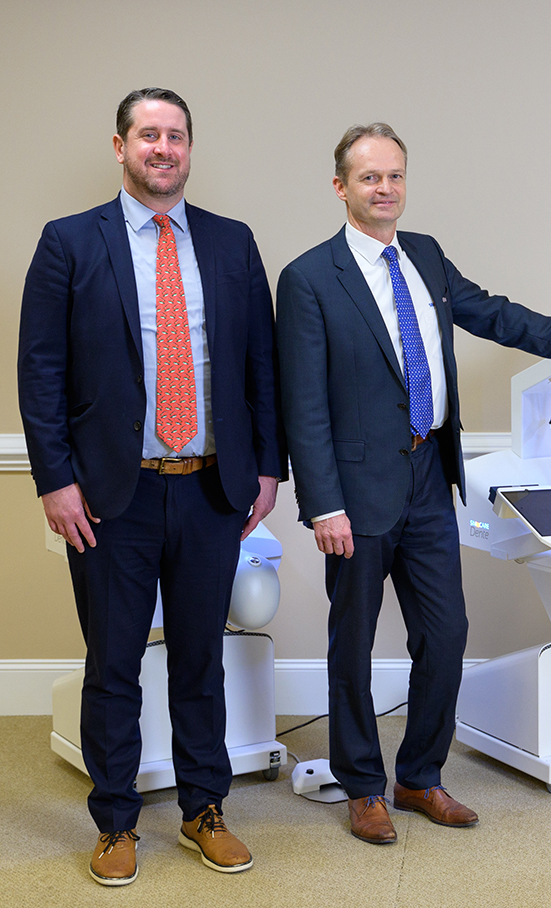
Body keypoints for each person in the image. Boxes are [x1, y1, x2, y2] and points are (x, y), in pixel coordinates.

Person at [276, 123, 551, 845]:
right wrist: (322, 503)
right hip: (355, 490)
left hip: (427, 476)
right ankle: (363, 786)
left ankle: (418, 776)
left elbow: (494, 314)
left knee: (445, 634)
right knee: (351, 643)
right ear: (341, 186)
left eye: (395, 176)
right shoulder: (309, 278)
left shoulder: (427, 256)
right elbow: (303, 404)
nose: (385, 189)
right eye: (370, 177)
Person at [17, 88, 287, 886]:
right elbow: (41, 371)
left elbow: (259, 368)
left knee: (202, 658)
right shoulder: (68, 242)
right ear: (120, 147)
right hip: (109, 496)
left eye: (175, 135)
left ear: (190, 149)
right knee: (114, 663)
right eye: (147, 135)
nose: (162, 147)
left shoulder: (233, 244)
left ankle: (205, 808)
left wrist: (268, 469)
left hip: (210, 491)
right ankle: (115, 822)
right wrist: (55, 481)